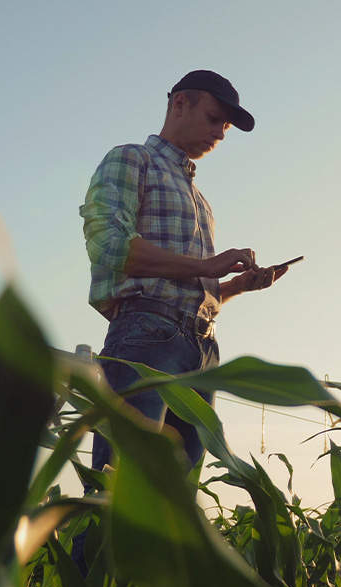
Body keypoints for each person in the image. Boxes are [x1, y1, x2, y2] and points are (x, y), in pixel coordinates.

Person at [79, 70, 287, 471]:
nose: (221, 135)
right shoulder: (130, 159)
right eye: (214, 119)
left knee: (174, 505)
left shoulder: (200, 200)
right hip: (146, 337)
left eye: (226, 126)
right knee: (121, 488)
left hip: (201, 348)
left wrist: (236, 287)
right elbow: (108, 246)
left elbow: (187, 288)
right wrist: (206, 265)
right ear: (179, 104)